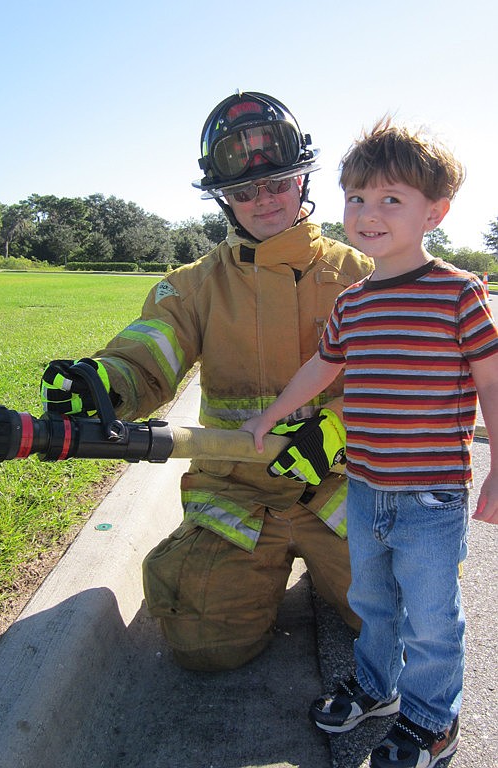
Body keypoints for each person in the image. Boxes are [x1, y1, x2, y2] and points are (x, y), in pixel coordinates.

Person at [40, 91, 372, 671]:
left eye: (277, 181)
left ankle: (328, 568)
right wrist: (104, 382)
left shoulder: (363, 277)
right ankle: (266, 570)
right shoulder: (193, 286)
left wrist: (341, 426)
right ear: (223, 198)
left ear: (302, 180)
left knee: (403, 612)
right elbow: (149, 353)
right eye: (244, 190)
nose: (262, 198)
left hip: (341, 488)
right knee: (201, 641)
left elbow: (412, 379)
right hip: (238, 494)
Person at [242, 117, 498, 767]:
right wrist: (270, 415)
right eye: (356, 198)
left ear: (434, 212)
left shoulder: (458, 293)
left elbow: (492, 382)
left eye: (390, 198)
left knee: (431, 618)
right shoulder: (354, 302)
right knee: (371, 601)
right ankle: (378, 688)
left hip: (430, 495)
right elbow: (321, 367)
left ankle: (431, 719)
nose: (367, 213)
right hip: (364, 486)